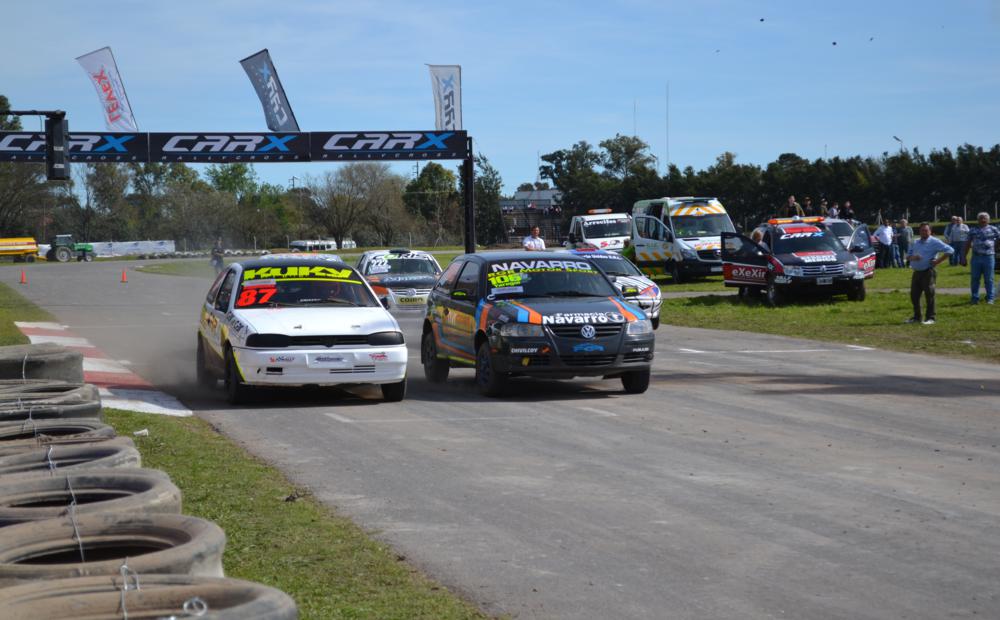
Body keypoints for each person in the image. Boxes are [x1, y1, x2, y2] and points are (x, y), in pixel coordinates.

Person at [905, 222, 954, 325]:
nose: (924, 232)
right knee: (914, 296)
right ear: (919, 231)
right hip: (916, 272)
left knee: (929, 295)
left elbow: (950, 250)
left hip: (928, 272)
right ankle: (917, 317)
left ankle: (931, 318)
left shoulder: (934, 241)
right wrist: (913, 258)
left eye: (926, 230)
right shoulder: (915, 242)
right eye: (922, 230)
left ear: (930, 231)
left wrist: (938, 261)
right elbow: (907, 256)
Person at [963, 212, 1000, 304]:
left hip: (989, 257)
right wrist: (963, 256)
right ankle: (975, 298)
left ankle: (990, 298)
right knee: (975, 279)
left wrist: (995, 247)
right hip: (976, 257)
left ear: (988, 220)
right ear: (978, 220)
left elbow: (999, 240)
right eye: (981, 218)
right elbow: (967, 243)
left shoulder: (994, 229)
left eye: (985, 218)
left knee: (989, 279)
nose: (983, 220)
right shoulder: (972, 230)